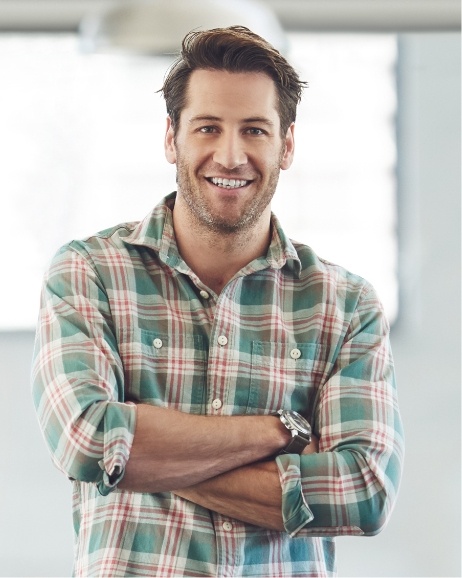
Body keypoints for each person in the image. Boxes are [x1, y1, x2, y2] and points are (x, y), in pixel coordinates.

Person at [32, 26, 404, 578]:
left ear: (287, 145)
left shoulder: (344, 306)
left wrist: (147, 456)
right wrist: (284, 431)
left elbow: (364, 492)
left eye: (254, 130)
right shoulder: (90, 274)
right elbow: (89, 440)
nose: (230, 156)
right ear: (171, 137)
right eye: (208, 127)